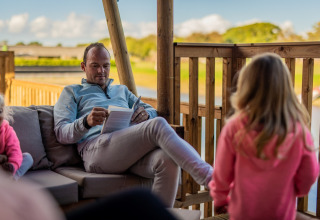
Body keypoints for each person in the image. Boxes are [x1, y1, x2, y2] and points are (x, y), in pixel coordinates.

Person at [54, 42, 213, 207]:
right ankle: (210, 179)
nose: (101, 71)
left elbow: (150, 110)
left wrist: (146, 114)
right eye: (95, 66)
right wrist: (85, 122)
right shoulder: (72, 92)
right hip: (96, 150)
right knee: (157, 125)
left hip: (125, 150)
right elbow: (61, 132)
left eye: (105, 66)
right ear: (83, 66)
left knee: (167, 160)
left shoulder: (121, 90)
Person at [209, 53, 319, 220]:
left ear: (247, 88)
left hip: (242, 213)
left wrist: (220, 200)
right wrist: (297, 190)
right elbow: (310, 172)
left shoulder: (234, 127)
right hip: (281, 213)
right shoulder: (298, 131)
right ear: (285, 89)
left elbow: (221, 173)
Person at [0, 94, 33, 180]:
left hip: (7, 166)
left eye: (0, 111)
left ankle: (13, 178)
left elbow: (15, 151)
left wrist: (11, 167)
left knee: (27, 158)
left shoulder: (8, 131)